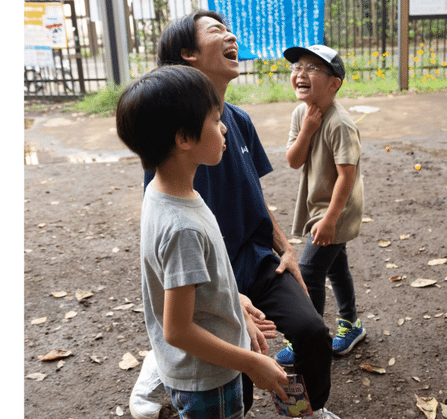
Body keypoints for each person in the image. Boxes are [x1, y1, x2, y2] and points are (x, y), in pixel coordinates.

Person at [128, 10, 340, 419]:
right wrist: (229, 298)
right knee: (237, 369)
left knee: (312, 332)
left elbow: (254, 195)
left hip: (256, 261)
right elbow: (170, 239)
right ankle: (160, 369)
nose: (232, 36)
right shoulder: (176, 149)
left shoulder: (237, 120)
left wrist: (286, 248)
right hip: (208, 275)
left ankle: (304, 412)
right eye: (216, 31)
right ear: (187, 54)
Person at [115, 64, 291, 418]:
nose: (225, 126)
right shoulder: (183, 227)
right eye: (214, 120)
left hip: (199, 371)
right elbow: (178, 330)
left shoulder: (165, 194)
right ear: (183, 138)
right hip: (207, 378)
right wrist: (252, 363)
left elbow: (192, 282)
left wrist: (234, 302)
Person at [275, 44, 366, 366]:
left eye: (312, 68)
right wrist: (308, 130)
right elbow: (293, 160)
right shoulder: (302, 113)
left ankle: (308, 342)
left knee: (311, 271)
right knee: (336, 266)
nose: (300, 73)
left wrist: (329, 221)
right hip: (320, 207)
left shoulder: (341, 123)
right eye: (297, 67)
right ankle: (351, 324)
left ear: (334, 83)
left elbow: (347, 176)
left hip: (337, 210)